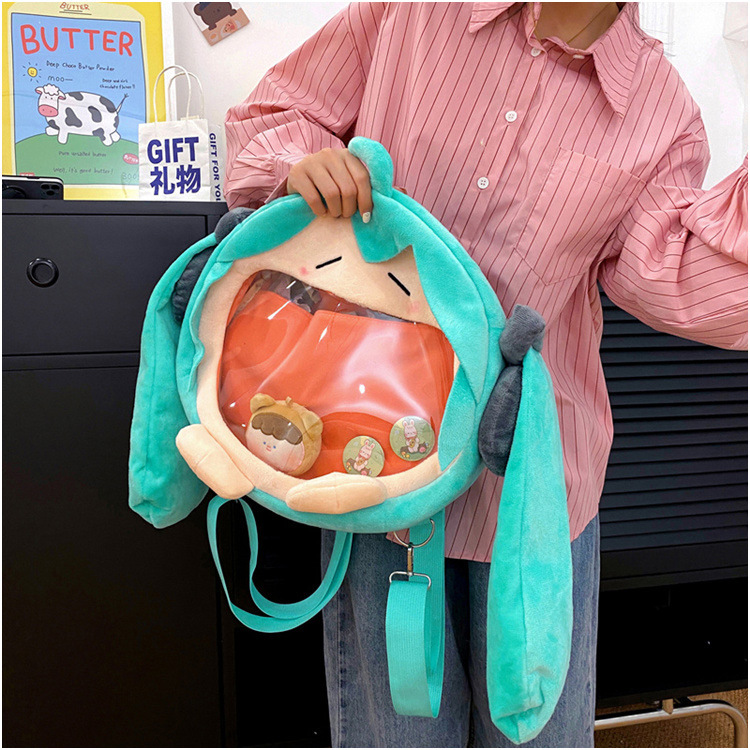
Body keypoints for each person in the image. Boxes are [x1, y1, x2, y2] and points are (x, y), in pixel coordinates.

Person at [223, 3, 748, 746]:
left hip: (531, 491)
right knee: (394, 738)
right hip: (378, 460)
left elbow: (672, 277)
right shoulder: (411, 13)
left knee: (535, 735)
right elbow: (276, 116)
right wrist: (301, 166)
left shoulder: (662, 112)